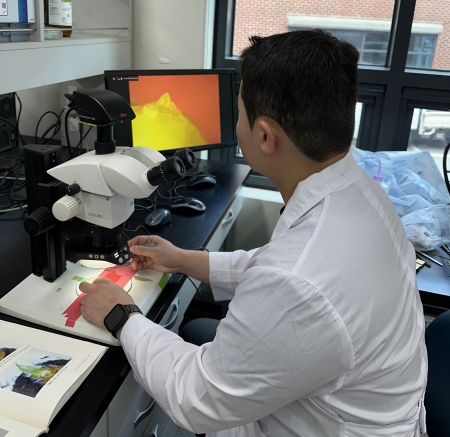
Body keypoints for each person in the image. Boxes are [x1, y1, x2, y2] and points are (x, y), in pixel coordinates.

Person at [80, 29, 427, 437]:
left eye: (239, 110)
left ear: (265, 136)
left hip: (320, 427)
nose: (236, 121)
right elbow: (274, 268)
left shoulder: (299, 279)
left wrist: (122, 315)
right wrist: (183, 260)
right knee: (195, 331)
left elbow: (197, 398)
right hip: (355, 399)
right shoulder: (361, 192)